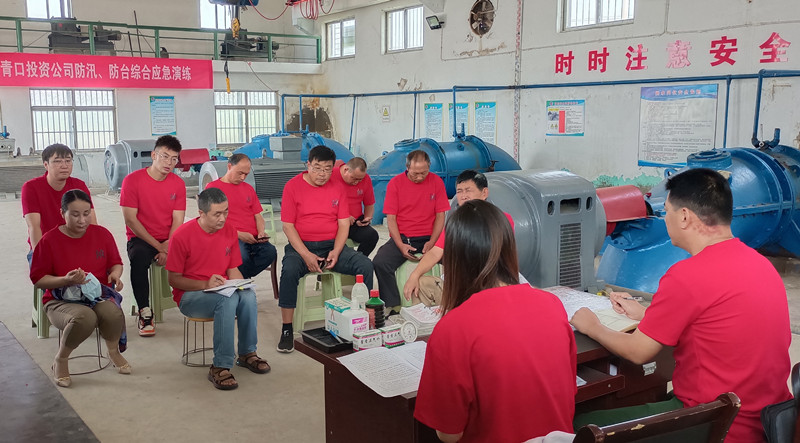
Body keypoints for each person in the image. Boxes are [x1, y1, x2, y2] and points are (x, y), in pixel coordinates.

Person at [571, 168, 792, 443]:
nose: (665, 220)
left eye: (666, 212)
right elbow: (720, 324)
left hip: (716, 423)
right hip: (768, 422)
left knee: (580, 423)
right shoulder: (761, 264)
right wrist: (648, 315)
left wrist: (591, 326)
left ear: (685, 216)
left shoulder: (687, 275)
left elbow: (637, 352)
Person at [414, 200, 577, 443]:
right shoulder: (552, 304)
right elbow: (568, 391)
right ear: (509, 248)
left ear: (454, 260)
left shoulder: (453, 328)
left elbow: (449, 434)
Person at [166, 188, 269, 390]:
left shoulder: (229, 230)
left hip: (221, 290)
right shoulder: (181, 236)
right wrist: (205, 284)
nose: (223, 218)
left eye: (226, 211)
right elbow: (173, 280)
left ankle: (247, 353)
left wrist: (241, 285)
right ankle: (220, 365)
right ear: (201, 213)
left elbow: (233, 269)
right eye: (217, 214)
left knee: (248, 295)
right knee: (228, 300)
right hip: (190, 296)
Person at [277, 145, 374, 353]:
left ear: (334, 168)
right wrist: (306, 255)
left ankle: (364, 321)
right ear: (308, 165)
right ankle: (287, 328)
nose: (322, 174)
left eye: (327, 169)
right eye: (317, 168)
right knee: (289, 271)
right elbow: (288, 226)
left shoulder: (337, 187)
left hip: (331, 245)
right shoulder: (292, 187)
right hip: (301, 247)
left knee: (365, 264)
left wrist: (337, 251)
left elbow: (343, 224)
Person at [30, 190, 131, 388]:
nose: (82, 220)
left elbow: (116, 263)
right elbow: (38, 279)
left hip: (95, 296)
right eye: (75, 214)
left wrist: (115, 275)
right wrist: (65, 280)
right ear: (62, 213)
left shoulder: (102, 234)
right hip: (60, 301)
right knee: (85, 317)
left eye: (86, 213)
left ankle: (113, 351)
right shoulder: (49, 240)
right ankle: (61, 359)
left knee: (112, 311)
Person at [403, 169, 515, 306]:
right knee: (420, 284)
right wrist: (414, 275)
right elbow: (435, 252)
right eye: (460, 191)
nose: (464, 196)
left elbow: (501, 260)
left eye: (468, 190)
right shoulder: (456, 222)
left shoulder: (501, 220)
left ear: (484, 193)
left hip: (491, 285)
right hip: (460, 285)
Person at [120, 135, 186, 337]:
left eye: (174, 159)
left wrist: (169, 245)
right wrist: (160, 247)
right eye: (165, 156)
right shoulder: (132, 181)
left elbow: (178, 220)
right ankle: (145, 311)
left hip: (170, 238)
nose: (169, 163)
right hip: (141, 238)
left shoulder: (177, 184)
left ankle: (198, 301)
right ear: (153, 155)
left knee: (200, 249)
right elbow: (131, 220)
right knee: (139, 258)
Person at [373, 150, 449, 312]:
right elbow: (391, 218)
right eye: (415, 173)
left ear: (429, 167)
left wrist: (433, 241)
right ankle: (393, 305)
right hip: (404, 238)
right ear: (407, 168)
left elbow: (440, 216)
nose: (420, 177)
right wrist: (400, 245)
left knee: (457, 259)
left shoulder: (437, 182)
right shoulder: (395, 184)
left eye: (424, 173)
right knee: (380, 262)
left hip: (430, 238)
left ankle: (451, 299)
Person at [22, 143, 96, 265]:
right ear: (46, 165)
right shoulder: (31, 188)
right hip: (46, 246)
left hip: (76, 244)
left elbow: (91, 221)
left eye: (68, 161)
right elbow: (34, 227)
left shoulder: (79, 185)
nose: (64, 166)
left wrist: (93, 249)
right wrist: (42, 258)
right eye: (57, 161)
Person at [206, 153, 277, 280]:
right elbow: (211, 221)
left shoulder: (248, 189)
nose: (243, 177)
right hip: (229, 237)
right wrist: (238, 234)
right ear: (229, 166)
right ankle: (241, 280)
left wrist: (261, 232)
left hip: (254, 238)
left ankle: (240, 279)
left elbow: (258, 216)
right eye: (240, 173)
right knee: (241, 256)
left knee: (270, 252)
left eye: (246, 174)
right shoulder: (213, 189)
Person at [329, 157, 378, 256]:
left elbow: (369, 204)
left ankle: (359, 259)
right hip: (334, 220)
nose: (356, 182)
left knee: (372, 236)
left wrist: (367, 218)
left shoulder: (366, 179)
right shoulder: (331, 176)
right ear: (346, 169)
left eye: (360, 179)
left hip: (355, 222)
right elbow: (324, 202)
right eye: (354, 178)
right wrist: (343, 216)